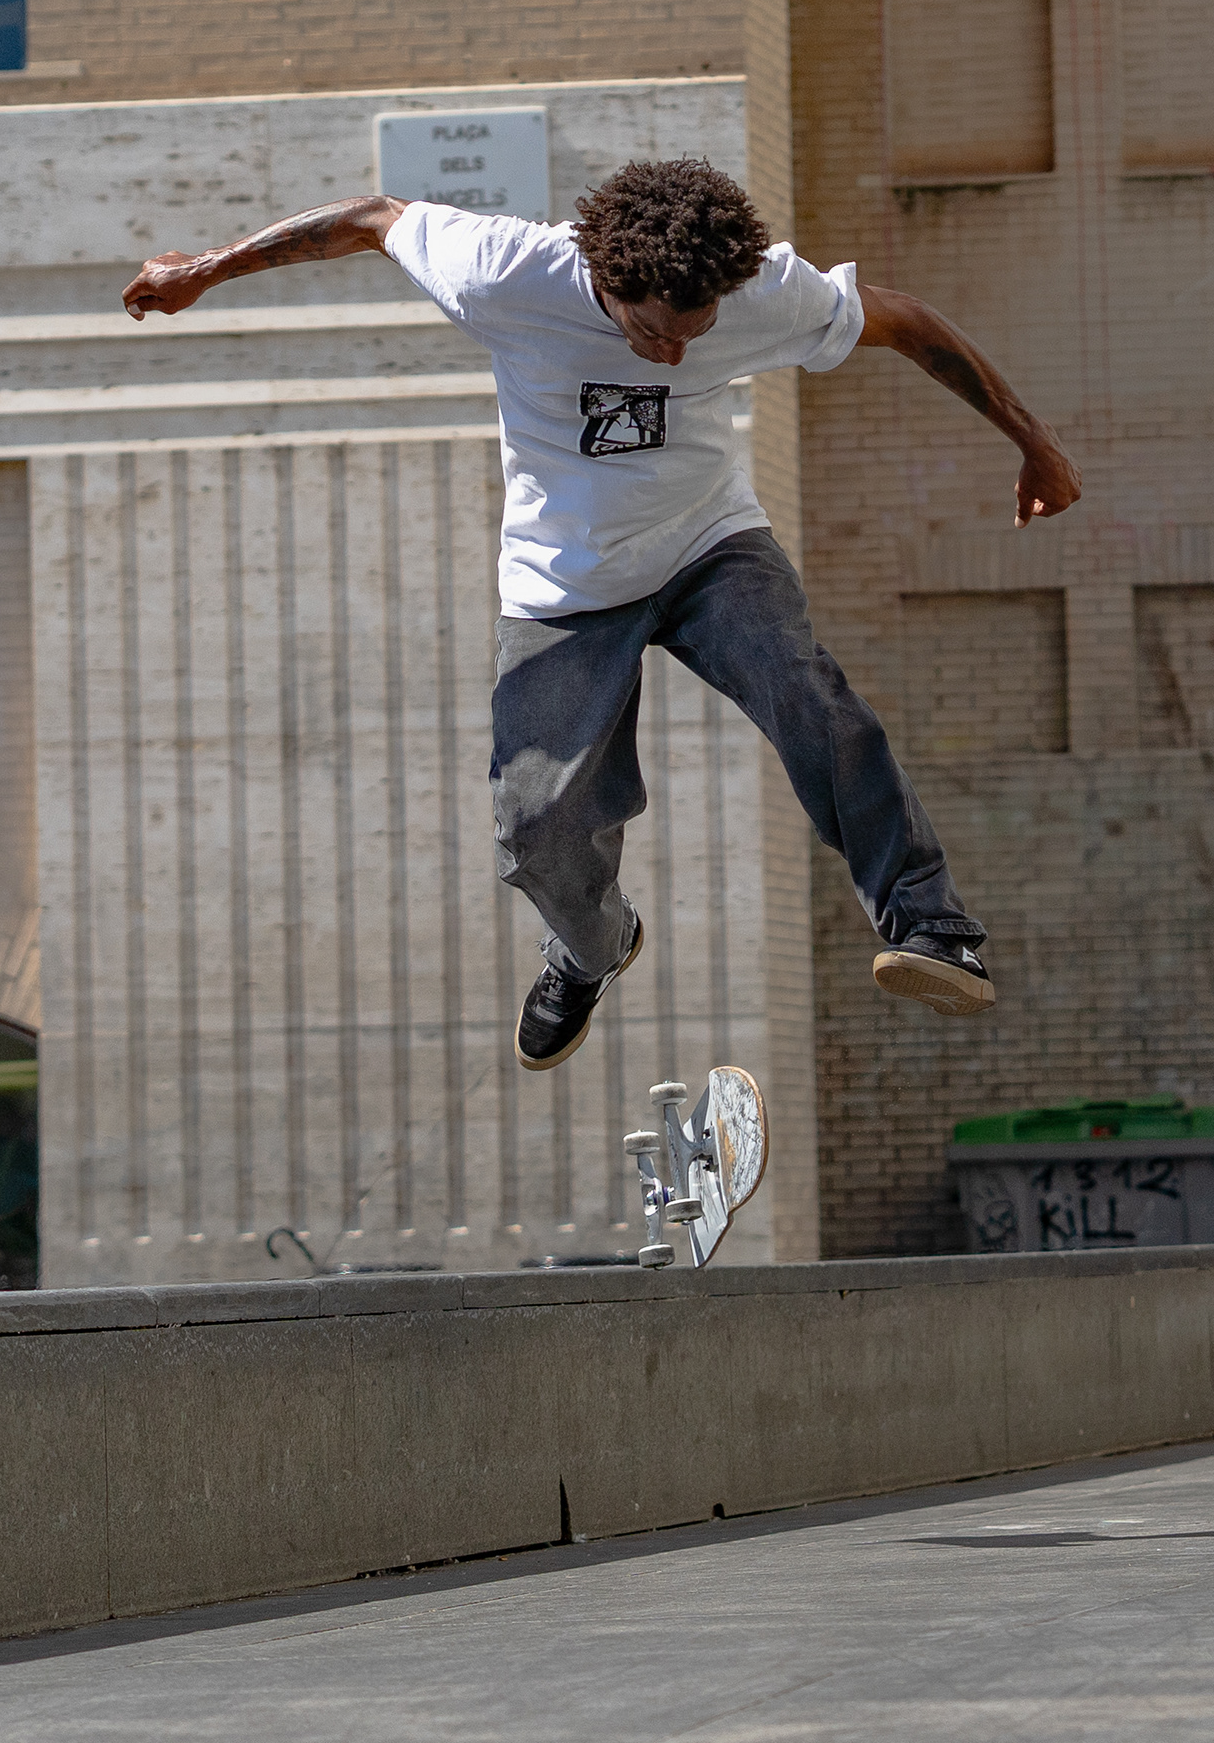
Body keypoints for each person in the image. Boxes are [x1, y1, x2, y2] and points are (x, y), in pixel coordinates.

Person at [123, 159, 1081, 1070]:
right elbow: (371, 219)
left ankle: (931, 924)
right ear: (605, 279)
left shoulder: (758, 291)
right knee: (534, 824)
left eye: (694, 333)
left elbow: (909, 322)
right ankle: (592, 948)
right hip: (565, 581)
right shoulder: (505, 270)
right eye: (648, 331)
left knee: (809, 696)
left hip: (709, 547)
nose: (672, 352)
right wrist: (203, 270)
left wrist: (1033, 441)